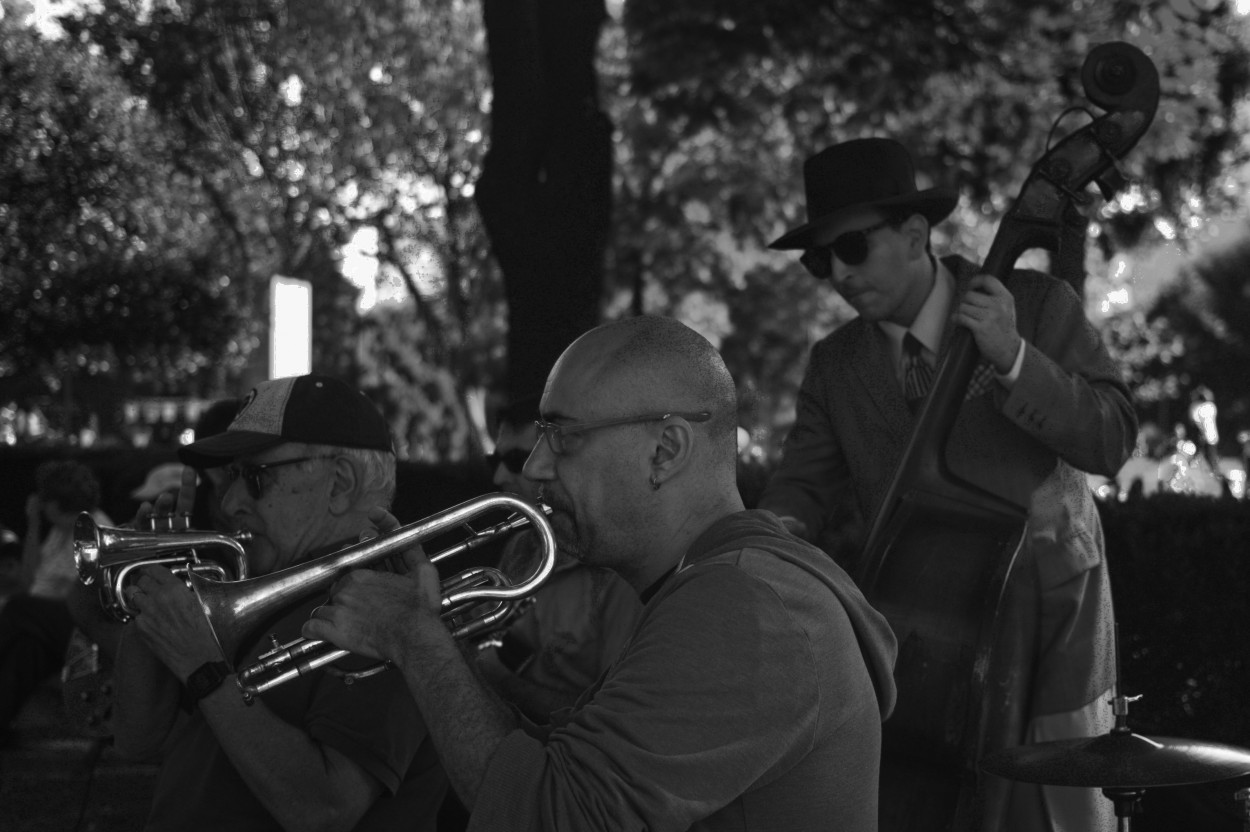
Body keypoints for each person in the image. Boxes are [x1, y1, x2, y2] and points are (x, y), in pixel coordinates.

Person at [306, 315, 899, 831]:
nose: (535, 468)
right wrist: (441, 637)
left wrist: (418, 641)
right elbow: (560, 764)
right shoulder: (723, 585)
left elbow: (550, 817)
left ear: (664, 451)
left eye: (563, 437)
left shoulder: (744, 605)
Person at [759, 137, 1137, 831]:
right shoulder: (835, 365)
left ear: (912, 235)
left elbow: (1111, 439)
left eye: (851, 249)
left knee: (1056, 813)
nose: (837, 274)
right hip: (924, 645)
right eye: (821, 260)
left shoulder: (1036, 303)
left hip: (1051, 625)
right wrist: (769, 539)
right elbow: (801, 487)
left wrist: (1014, 357)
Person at [92, 374, 447, 831]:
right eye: (230, 477)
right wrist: (149, 595)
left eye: (256, 478)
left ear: (339, 482)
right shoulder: (261, 583)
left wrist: (204, 668)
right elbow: (136, 740)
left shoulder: (386, 605)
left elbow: (326, 809)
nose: (232, 502)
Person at [475, 394, 641, 723]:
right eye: (496, 462)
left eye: (516, 461)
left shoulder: (619, 573)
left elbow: (613, 723)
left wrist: (502, 681)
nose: (499, 479)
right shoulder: (523, 545)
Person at [0, 460, 111, 742]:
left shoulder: (90, 530)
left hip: (85, 626)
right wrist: (34, 524)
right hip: (51, 623)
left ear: (53, 502)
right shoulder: (61, 531)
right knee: (28, 649)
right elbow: (29, 582)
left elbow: (84, 601)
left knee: (16, 609)